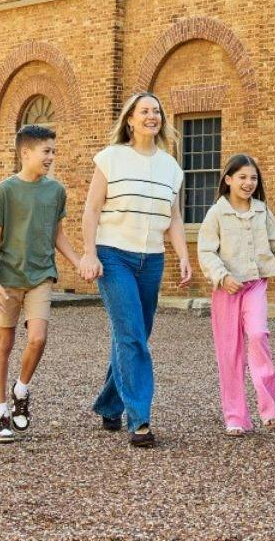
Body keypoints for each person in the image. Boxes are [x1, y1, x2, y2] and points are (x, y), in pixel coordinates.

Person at [77, 91, 191, 448]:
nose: (151, 116)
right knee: (130, 335)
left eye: (156, 111)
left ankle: (110, 403)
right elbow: (92, 210)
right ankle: (139, 419)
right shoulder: (111, 158)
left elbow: (173, 218)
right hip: (113, 257)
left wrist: (183, 255)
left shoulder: (171, 167)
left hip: (151, 261)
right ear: (130, 119)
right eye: (144, 111)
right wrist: (89, 254)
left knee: (135, 334)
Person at [0, 123, 82, 443]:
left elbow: (57, 235)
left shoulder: (56, 191)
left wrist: (79, 262)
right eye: (47, 151)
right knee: (4, 344)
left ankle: (21, 389)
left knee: (38, 338)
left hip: (42, 275)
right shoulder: (5, 190)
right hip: (9, 278)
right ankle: (0, 412)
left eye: (54, 151)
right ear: (26, 153)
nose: (52, 157)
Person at [196, 153, 275, 435]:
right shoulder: (216, 213)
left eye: (253, 177)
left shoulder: (262, 211)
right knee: (229, 353)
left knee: (258, 335)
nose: (248, 182)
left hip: (255, 285)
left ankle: (268, 409)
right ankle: (236, 417)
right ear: (228, 180)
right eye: (242, 177)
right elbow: (206, 250)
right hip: (226, 290)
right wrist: (222, 276)